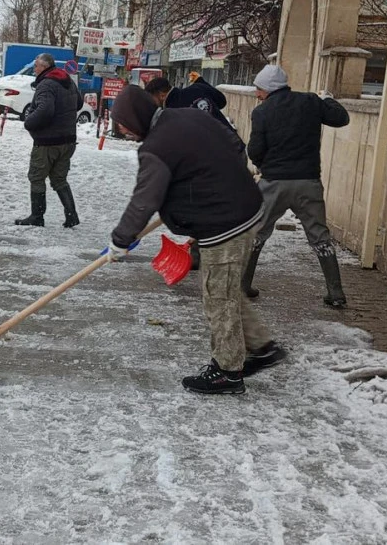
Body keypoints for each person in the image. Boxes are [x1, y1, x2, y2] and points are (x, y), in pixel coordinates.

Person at [107, 85, 285, 394]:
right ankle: (262, 348)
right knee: (225, 289)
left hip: (225, 223)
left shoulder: (157, 147)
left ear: (135, 117)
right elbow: (232, 142)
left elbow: (143, 201)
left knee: (218, 298)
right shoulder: (188, 117)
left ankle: (228, 372)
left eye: (122, 122)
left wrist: (120, 239)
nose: (121, 129)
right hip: (244, 209)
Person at [243, 64, 351, 308]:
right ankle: (335, 292)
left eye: (258, 89)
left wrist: (263, 166)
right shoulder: (311, 102)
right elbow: (341, 118)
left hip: (274, 184)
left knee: (257, 233)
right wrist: (328, 99)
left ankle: (243, 284)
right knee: (320, 236)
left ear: (269, 89)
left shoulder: (262, 112)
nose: (256, 94)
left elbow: (255, 149)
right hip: (308, 182)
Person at [15, 53, 83, 228]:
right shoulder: (67, 80)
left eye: (36, 65)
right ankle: (71, 215)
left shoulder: (46, 84)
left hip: (48, 142)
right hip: (68, 140)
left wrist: (29, 122)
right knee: (59, 179)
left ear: (44, 67)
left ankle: (37, 216)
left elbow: (45, 110)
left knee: (36, 177)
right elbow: (79, 103)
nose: (34, 69)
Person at [144, 76, 242, 152]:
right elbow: (222, 101)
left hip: (217, 154)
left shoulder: (171, 114)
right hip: (234, 144)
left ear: (161, 95)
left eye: (152, 98)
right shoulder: (197, 88)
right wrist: (201, 82)